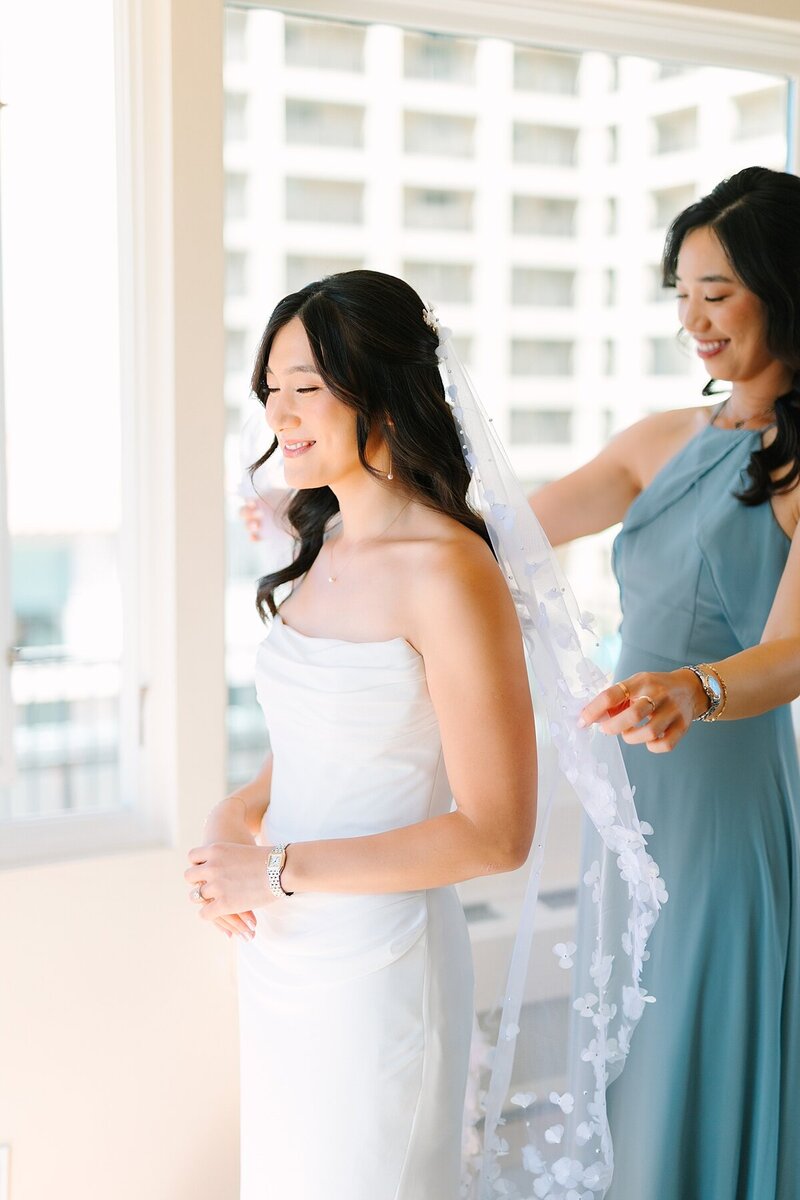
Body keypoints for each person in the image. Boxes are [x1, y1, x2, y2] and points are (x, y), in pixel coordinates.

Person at [184, 271, 538, 1200]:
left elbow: (498, 835)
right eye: (269, 389)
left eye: (306, 386)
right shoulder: (325, 545)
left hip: (382, 964)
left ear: (379, 386)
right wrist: (236, 812)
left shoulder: (450, 571)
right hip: (283, 951)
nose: (280, 413)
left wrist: (278, 867)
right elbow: (331, 735)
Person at [531, 166, 800, 1199]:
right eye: (679, 293)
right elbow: (508, 528)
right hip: (630, 800)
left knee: (693, 1027)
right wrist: (334, 501)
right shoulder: (661, 440)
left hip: (721, 803)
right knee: (628, 1044)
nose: (692, 319)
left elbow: (790, 648)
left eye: (717, 293)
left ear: (783, 285)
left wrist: (697, 688)